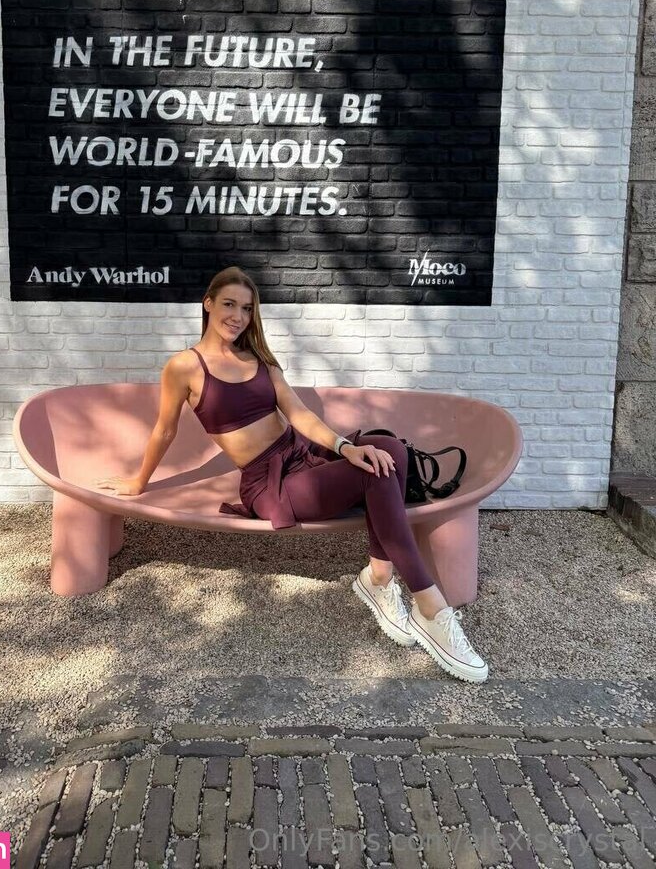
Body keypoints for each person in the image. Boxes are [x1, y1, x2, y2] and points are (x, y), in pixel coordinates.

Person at [96, 266, 488, 684]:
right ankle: (431, 608)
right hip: (270, 483)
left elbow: (299, 414)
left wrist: (346, 447)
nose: (238, 316)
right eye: (228, 304)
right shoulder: (184, 367)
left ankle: (379, 578)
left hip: (302, 455)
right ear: (207, 304)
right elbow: (164, 429)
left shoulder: (260, 361)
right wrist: (139, 481)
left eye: (247, 308)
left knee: (389, 452)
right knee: (374, 474)